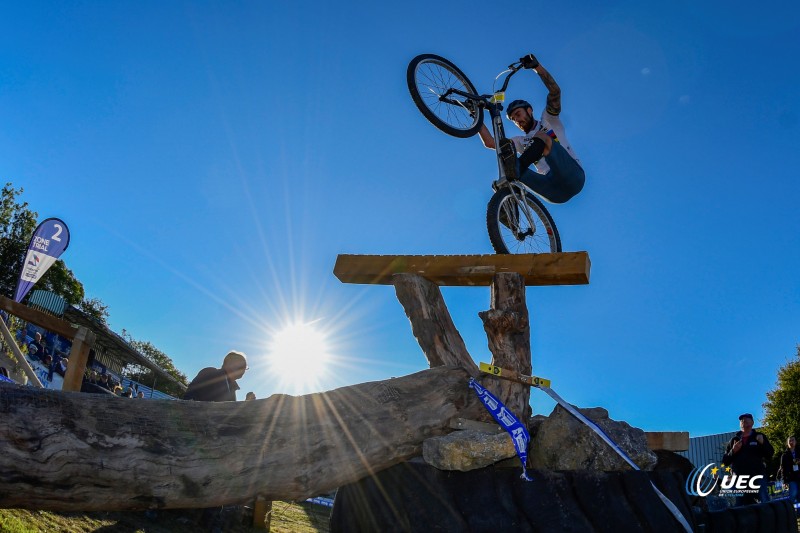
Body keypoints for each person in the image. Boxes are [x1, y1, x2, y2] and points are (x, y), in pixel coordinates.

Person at [478, 53, 585, 205]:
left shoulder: (548, 119)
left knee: (541, 137)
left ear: (529, 110)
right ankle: (507, 213)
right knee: (506, 170)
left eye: (518, 114)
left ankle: (518, 167)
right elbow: (489, 142)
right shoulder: (520, 141)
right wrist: (476, 117)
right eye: (514, 120)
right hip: (554, 193)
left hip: (572, 175)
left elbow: (555, 92)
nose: (517, 120)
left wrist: (537, 67)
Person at [722, 413, 774, 505]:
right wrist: (733, 451)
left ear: (752, 422)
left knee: (763, 499)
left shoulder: (759, 436)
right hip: (739, 479)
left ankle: (768, 518)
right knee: (738, 504)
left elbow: (770, 454)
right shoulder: (734, 440)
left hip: (757, 476)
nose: (743, 421)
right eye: (741, 420)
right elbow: (725, 461)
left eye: (746, 419)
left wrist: (763, 443)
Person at [183, 351, 248, 402]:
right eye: (241, 365)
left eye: (245, 368)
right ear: (228, 362)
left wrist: (246, 403)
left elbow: (231, 412)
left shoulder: (232, 387)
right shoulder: (211, 372)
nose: (243, 369)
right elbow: (189, 397)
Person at [779, 436, 800, 505]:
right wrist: (784, 481)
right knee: (793, 494)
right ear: (787, 443)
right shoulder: (784, 455)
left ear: (795, 442)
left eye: (793, 440)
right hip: (791, 478)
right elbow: (783, 469)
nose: (791, 442)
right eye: (789, 441)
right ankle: (791, 512)